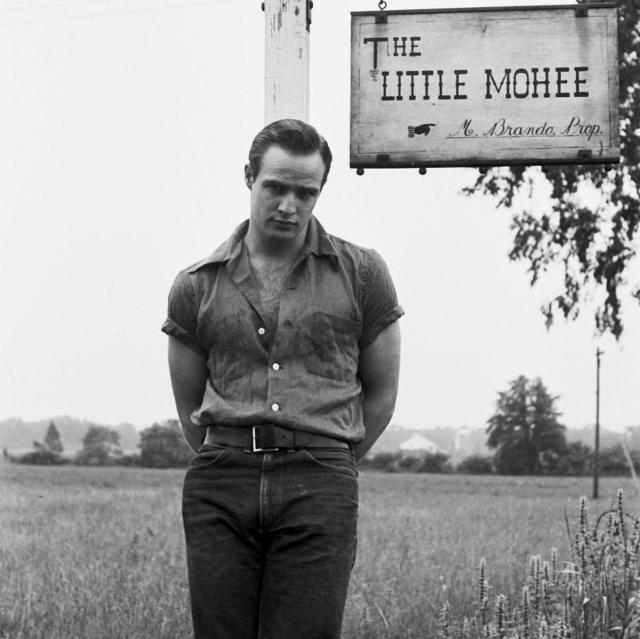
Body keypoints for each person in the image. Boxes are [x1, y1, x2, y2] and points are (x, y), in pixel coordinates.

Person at [162, 119, 402, 639]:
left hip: (320, 483)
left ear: (320, 192)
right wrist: (230, 452)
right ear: (249, 177)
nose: (289, 205)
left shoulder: (363, 273)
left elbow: (381, 395)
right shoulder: (194, 286)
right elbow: (188, 407)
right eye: (275, 187)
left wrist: (326, 457)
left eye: (305, 192)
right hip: (220, 484)